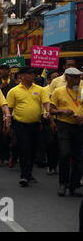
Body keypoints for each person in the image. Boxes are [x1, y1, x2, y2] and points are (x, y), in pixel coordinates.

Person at [7, 67, 50, 187]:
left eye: (33, 74)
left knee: (32, 149)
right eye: (29, 74)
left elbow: (46, 102)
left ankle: (28, 173)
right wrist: (7, 122)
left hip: (35, 123)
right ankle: (24, 175)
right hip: (19, 123)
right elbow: (9, 108)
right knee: (24, 147)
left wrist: (47, 112)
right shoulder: (14, 91)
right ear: (22, 76)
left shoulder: (40, 89)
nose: (32, 76)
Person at [50, 67, 83, 197]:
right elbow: (51, 110)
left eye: (79, 78)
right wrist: (63, 111)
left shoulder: (81, 89)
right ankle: (63, 183)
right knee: (65, 154)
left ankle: (73, 186)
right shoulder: (58, 91)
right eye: (75, 78)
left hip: (79, 127)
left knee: (79, 158)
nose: (78, 80)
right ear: (67, 78)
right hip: (64, 126)